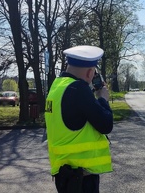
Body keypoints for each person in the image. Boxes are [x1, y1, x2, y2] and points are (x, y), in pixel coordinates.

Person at [45, 45, 113, 193]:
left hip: (63, 174)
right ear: (90, 72)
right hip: (81, 178)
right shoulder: (79, 89)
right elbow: (106, 125)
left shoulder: (57, 86)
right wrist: (103, 99)